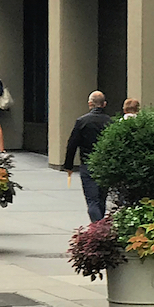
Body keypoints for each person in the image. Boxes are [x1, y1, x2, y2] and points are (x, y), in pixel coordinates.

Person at [63, 90, 111, 222]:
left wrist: (68, 165)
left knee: (92, 200)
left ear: (90, 103)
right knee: (101, 198)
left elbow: (72, 144)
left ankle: (97, 227)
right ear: (104, 104)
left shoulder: (82, 121)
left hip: (88, 163)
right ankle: (100, 224)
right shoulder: (110, 122)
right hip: (105, 165)